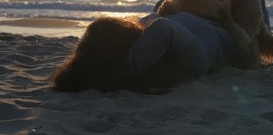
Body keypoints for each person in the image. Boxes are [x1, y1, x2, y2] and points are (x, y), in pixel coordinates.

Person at [52, 11, 234, 94]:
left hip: (197, 20)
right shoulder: (193, 58)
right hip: (225, 31)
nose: (130, 25)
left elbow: (156, 18)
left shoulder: (148, 44)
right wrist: (132, 66)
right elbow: (162, 26)